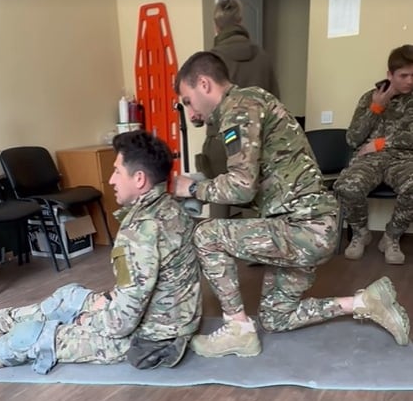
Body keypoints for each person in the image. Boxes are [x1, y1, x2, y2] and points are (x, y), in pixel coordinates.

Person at [173, 51, 410, 358]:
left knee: (206, 235)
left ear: (204, 84)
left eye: (188, 100)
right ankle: (365, 302)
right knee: (276, 318)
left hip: (305, 228)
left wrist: (192, 187)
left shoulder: (239, 108)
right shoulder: (253, 99)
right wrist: (206, 184)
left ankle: (237, 330)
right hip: (305, 225)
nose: (191, 113)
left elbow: (241, 188)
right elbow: (255, 182)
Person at [0, 132, 201, 371]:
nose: (111, 180)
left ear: (139, 179)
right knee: (69, 297)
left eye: (117, 171)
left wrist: (84, 319)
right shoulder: (171, 209)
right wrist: (107, 300)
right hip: (163, 319)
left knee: (30, 336)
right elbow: (149, 282)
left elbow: (120, 324)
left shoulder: (141, 231)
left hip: (152, 340)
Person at [334, 44, 413, 265]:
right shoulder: (370, 97)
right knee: (347, 186)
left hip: (405, 159)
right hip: (370, 160)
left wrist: (380, 143)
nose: (410, 81)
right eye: (404, 75)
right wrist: (376, 108)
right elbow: (352, 139)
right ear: (390, 74)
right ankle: (361, 233)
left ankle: (391, 237)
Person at [194, 0, 280, 182]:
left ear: (216, 26)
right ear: (240, 21)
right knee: (256, 195)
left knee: (222, 194)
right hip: (260, 145)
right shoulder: (263, 57)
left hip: (221, 147)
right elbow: (275, 104)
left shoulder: (210, 61)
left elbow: (201, 112)